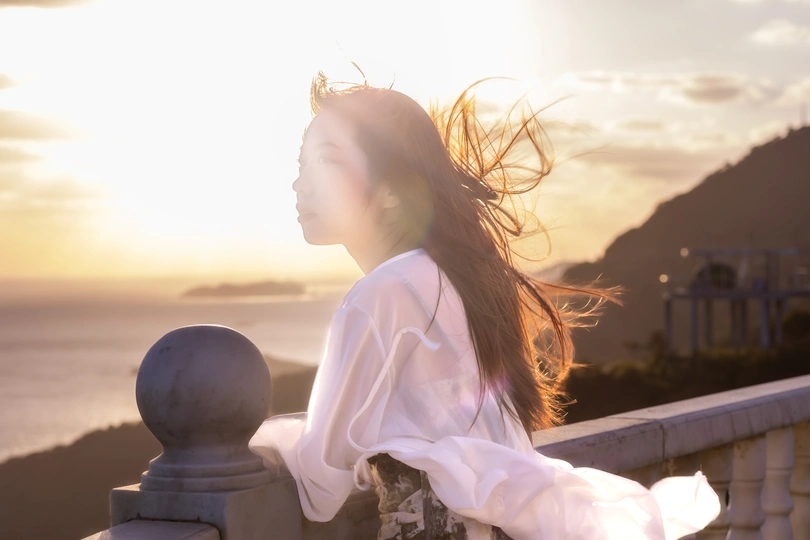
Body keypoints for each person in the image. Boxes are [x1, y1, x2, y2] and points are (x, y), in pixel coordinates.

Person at [249, 73, 720, 540]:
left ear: (395, 190)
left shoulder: (382, 294)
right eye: (301, 163)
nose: (299, 184)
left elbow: (320, 483)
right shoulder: (451, 281)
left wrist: (260, 441)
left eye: (325, 162)